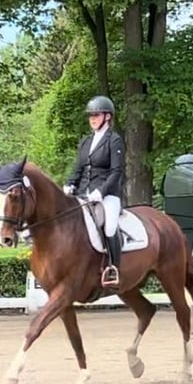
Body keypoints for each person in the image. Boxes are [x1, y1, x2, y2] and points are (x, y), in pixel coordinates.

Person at [63, 95, 126, 287]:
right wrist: (69, 184)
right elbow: (79, 167)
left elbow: (116, 172)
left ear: (107, 117)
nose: (92, 119)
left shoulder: (114, 141)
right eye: (90, 115)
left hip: (107, 195)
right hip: (83, 193)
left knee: (108, 225)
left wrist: (101, 192)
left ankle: (113, 267)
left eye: (96, 115)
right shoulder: (85, 142)